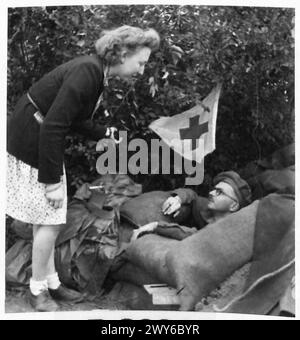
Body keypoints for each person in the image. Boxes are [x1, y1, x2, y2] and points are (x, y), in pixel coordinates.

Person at [6, 25, 160, 312]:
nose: (141, 70)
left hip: (37, 133)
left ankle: (51, 282)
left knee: (47, 219)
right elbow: (54, 125)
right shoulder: (88, 72)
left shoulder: (96, 72)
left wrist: (105, 133)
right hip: (33, 137)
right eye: (140, 62)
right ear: (124, 53)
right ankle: (37, 291)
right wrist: (51, 181)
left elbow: (72, 119)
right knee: (50, 221)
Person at [132, 171, 252, 240]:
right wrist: (178, 199)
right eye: (214, 189)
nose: (211, 193)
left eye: (219, 192)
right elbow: (193, 195)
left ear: (233, 206)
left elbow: (198, 236)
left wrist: (156, 226)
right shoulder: (206, 208)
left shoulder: (232, 233)